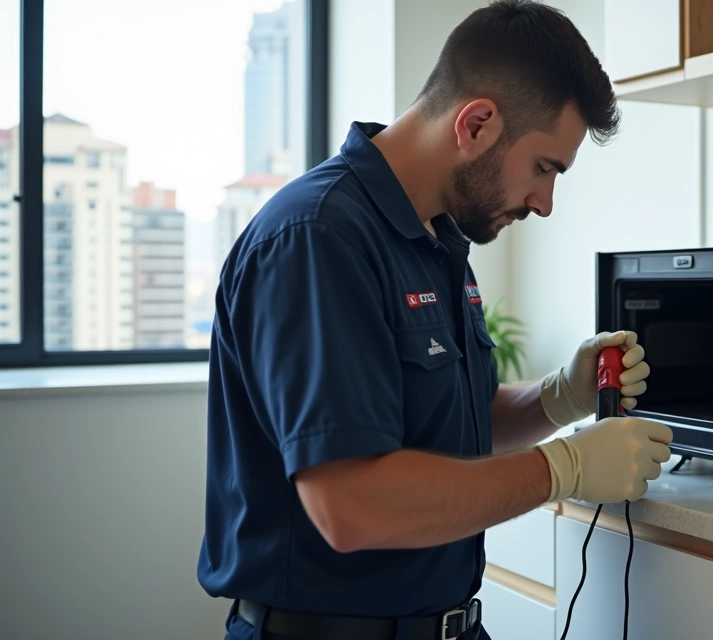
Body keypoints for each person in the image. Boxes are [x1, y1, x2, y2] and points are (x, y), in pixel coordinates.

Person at [196, 1, 674, 638]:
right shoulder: (320, 237)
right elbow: (352, 505)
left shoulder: (436, 242)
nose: (546, 202)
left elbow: (451, 426)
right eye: (544, 168)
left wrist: (559, 396)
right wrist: (564, 468)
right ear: (476, 123)